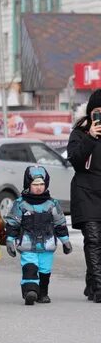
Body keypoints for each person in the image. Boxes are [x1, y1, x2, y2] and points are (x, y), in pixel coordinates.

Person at [4, 165, 72, 304]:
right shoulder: (20, 204)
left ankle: (42, 293)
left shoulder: (52, 204)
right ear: (28, 184)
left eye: (42, 184)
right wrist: (10, 240)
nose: (39, 187)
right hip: (28, 244)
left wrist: (65, 241)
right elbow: (13, 223)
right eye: (35, 184)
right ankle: (30, 291)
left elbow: (60, 223)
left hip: (47, 244)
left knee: (45, 271)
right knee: (30, 267)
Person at [67, 89, 101, 302]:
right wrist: (90, 137)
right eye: (97, 112)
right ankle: (98, 286)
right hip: (86, 192)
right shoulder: (79, 133)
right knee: (94, 240)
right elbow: (76, 161)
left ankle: (91, 283)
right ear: (90, 113)